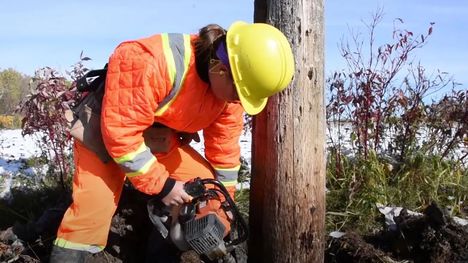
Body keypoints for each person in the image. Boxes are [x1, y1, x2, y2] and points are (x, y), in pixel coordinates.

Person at [49, 20, 294, 262]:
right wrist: (163, 187)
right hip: (104, 135)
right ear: (222, 68)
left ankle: (161, 254)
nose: (238, 101)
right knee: (89, 218)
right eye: (239, 93)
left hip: (154, 140)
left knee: (206, 192)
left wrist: (221, 203)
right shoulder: (150, 61)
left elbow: (224, 149)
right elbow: (120, 135)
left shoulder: (230, 97)